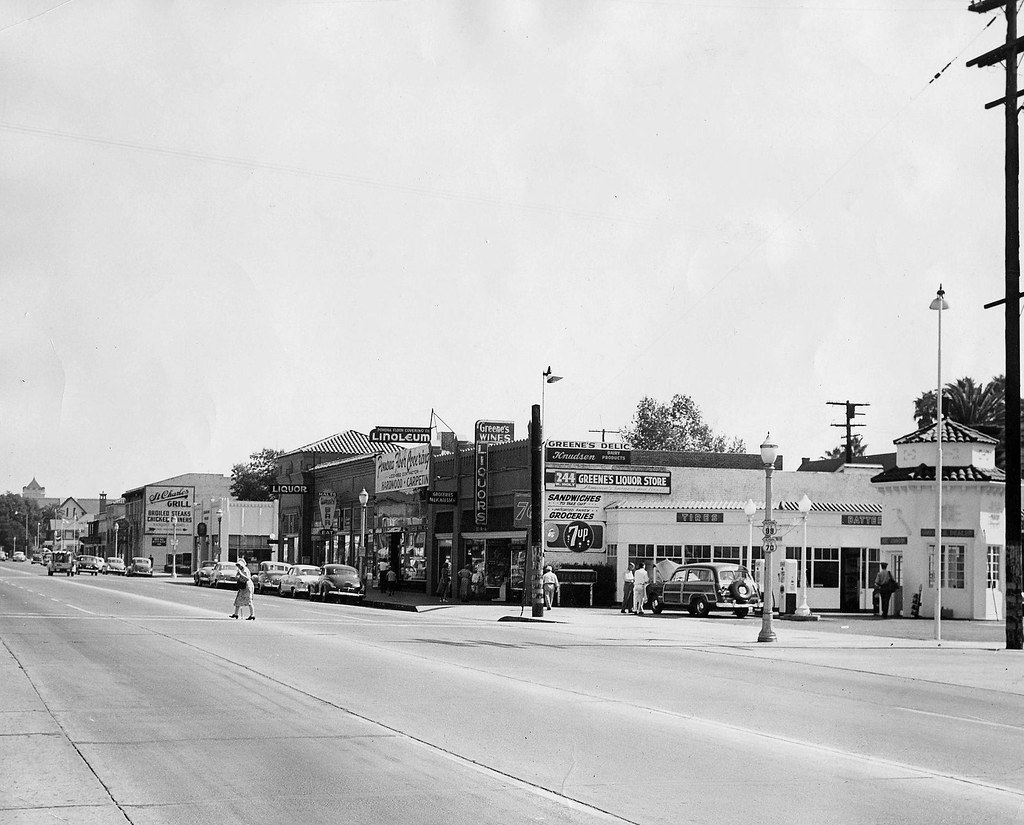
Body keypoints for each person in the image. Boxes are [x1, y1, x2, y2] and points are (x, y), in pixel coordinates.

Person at [230, 556, 255, 620]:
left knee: (249, 600)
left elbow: (247, 578)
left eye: (239, 565)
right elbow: (237, 577)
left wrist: (241, 574)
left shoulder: (245, 570)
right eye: (238, 565)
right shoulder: (240, 570)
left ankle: (252, 615)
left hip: (247, 586)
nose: (239, 566)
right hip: (242, 586)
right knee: (238, 600)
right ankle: (236, 614)